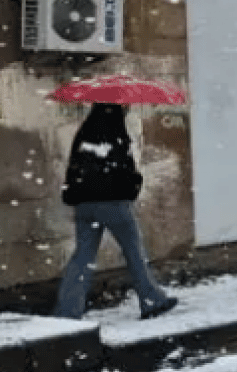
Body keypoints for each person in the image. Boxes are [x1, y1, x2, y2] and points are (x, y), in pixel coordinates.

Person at [53, 103, 178, 320]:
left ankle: (68, 310)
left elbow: (75, 168)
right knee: (134, 252)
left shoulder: (84, 132)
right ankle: (151, 300)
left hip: (85, 205)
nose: (127, 110)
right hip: (113, 204)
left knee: (82, 257)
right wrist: (135, 182)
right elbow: (124, 171)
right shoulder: (116, 133)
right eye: (124, 108)